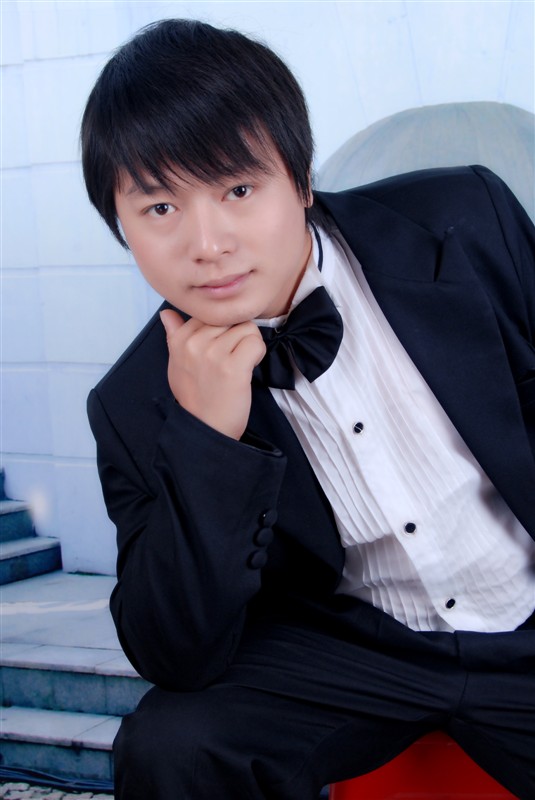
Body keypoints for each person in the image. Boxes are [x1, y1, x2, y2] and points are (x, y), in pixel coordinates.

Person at [81, 18, 535, 800]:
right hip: (357, 652)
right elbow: (175, 655)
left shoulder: (464, 220)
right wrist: (205, 437)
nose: (207, 244)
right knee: (173, 745)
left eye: (237, 190)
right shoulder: (131, 401)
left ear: (298, 179)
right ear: (120, 224)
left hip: (526, 613)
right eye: (159, 208)